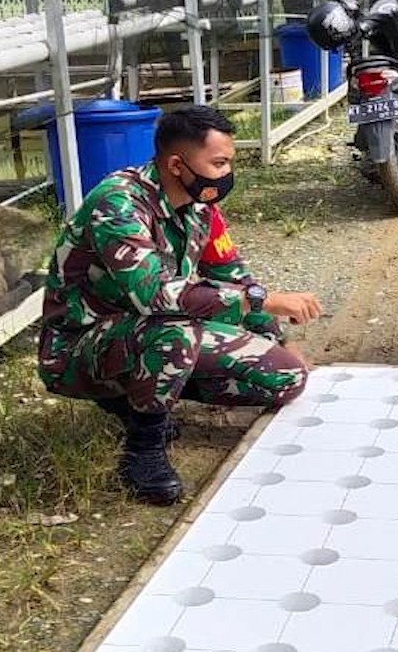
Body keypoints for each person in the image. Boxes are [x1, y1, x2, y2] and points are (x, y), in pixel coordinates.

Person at [39, 105, 321, 505]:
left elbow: (231, 273)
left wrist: (276, 334)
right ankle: (144, 449)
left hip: (149, 332)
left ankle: (143, 390)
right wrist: (263, 301)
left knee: (287, 378)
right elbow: (153, 295)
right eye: (218, 163)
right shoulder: (118, 204)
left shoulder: (199, 207)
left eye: (229, 163)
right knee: (175, 330)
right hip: (80, 348)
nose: (226, 174)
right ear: (177, 164)